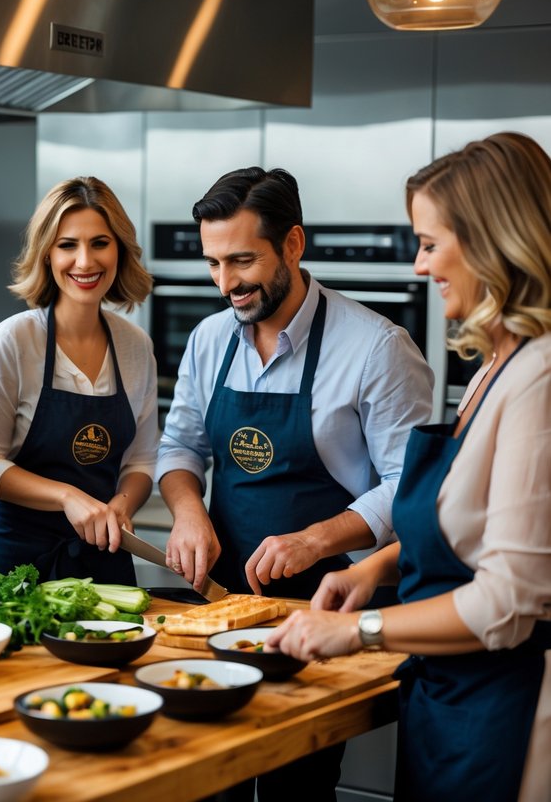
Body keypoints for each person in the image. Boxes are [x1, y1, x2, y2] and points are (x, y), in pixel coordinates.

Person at [269, 132, 551, 802]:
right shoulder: (494, 365)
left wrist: (354, 631)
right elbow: (468, 523)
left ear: (489, 239)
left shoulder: (539, 378)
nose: (419, 266)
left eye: (429, 243)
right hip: (446, 695)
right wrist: (371, 568)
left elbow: (506, 602)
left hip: (501, 708)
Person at [157, 166, 433, 801]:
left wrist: (314, 539)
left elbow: (409, 488)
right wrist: (187, 511)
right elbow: (180, 447)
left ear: (293, 245)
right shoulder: (208, 341)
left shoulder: (375, 348)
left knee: (297, 781)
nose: (226, 283)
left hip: (327, 605)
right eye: (213, 263)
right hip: (222, 601)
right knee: (212, 771)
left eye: (242, 261)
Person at [0, 176, 157, 585]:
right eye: (68, 245)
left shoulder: (135, 346)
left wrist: (122, 505)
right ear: (47, 255)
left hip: (104, 562)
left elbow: (141, 462)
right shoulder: (15, 339)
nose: (85, 262)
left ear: (120, 249)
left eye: (100, 243)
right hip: (14, 563)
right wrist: (67, 497)